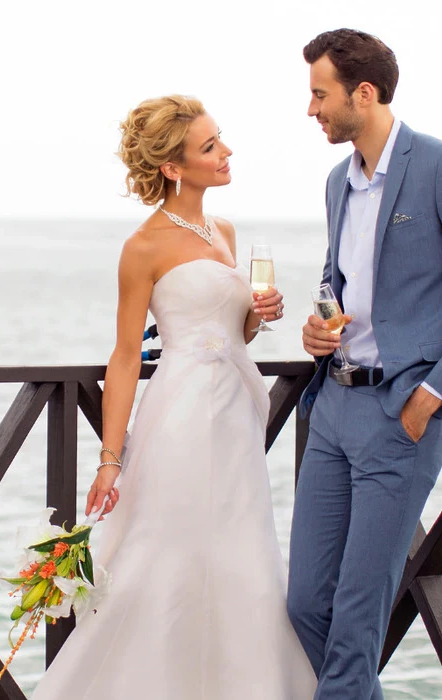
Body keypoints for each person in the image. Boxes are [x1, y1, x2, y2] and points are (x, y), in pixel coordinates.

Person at [31, 95, 316, 698]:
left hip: (237, 414)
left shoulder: (225, 230)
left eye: (221, 140)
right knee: (169, 555)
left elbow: (232, 328)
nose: (226, 152)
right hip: (182, 414)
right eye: (210, 146)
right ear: (173, 167)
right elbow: (128, 355)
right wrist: (111, 460)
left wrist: (261, 315)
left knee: (241, 558)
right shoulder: (144, 246)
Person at [288, 29, 442, 700]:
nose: (312, 108)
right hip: (333, 410)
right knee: (304, 605)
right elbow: (336, 281)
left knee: (355, 622)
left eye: (319, 94)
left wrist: (431, 394)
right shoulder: (335, 182)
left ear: (365, 93)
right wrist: (318, 327)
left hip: (400, 413)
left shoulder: (435, 166)